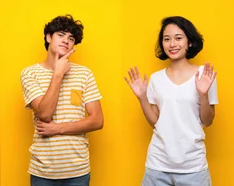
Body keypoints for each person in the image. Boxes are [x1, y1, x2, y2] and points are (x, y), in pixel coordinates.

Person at [124, 16, 218, 186]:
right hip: (157, 164)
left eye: (178, 38)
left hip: (193, 166)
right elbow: (156, 122)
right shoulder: (156, 79)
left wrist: (203, 94)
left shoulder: (204, 74)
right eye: (166, 39)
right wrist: (142, 98)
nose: (172, 44)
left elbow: (208, 120)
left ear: (189, 42)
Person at [20, 14, 104, 186]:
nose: (66, 40)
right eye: (61, 35)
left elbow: (97, 120)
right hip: (43, 172)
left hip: (78, 171)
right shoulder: (29, 74)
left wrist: (57, 128)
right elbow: (44, 114)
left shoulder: (84, 74)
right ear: (48, 37)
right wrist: (58, 74)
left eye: (71, 38)